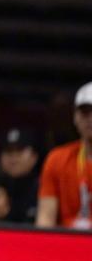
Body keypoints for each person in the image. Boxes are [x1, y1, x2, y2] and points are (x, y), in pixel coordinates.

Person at [36, 81, 92, 230]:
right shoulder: (57, 159)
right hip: (66, 241)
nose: (90, 118)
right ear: (75, 117)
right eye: (85, 112)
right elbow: (45, 219)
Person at [0, 126, 41, 223]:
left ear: (34, 156)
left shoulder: (44, 188)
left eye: (20, 151)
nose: (14, 157)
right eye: (8, 151)